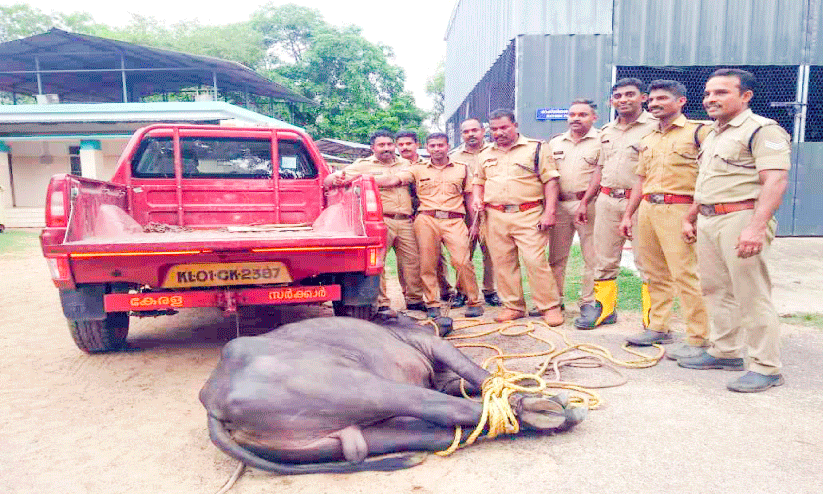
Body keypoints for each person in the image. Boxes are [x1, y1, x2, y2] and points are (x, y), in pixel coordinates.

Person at [679, 69, 791, 393]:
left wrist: (756, 228)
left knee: (751, 293)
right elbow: (708, 182)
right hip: (710, 219)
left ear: (745, 96)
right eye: (709, 93)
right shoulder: (714, 133)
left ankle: (766, 367)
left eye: (722, 92)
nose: (711, 99)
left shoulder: (762, 130)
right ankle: (725, 351)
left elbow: (775, 181)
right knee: (715, 289)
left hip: (741, 218)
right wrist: (692, 215)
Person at [617, 80, 710, 357]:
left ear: (681, 101)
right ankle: (658, 327)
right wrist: (628, 215)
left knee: (685, 274)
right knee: (654, 272)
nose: (654, 104)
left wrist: (693, 215)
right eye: (652, 100)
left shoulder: (699, 133)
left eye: (662, 99)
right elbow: (640, 180)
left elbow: (708, 176)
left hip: (680, 209)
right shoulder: (648, 139)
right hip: (648, 208)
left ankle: (698, 336)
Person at [574, 78, 657, 330]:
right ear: (612, 101)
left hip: (642, 200)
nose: (623, 100)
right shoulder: (606, 131)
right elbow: (600, 168)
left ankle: (653, 319)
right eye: (618, 96)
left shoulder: (656, 127)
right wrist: (586, 200)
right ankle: (604, 309)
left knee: (648, 260)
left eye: (630, 94)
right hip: (608, 200)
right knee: (604, 258)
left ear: (643, 98)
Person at [471, 109, 564, 326]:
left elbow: (550, 180)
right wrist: (477, 198)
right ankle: (513, 306)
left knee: (535, 261)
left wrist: (550, 211)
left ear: (515, 125)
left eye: (504, 127)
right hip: (495, 215)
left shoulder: (536, 148)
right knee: (503, 262)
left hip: (529, 213)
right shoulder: (485, 154)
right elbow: (479, 181)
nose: (499, 132)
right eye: (494, 129)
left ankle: (549, 307)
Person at [324, 130, 425, 315]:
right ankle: (383, 303)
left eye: (389, 144)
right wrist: (333, 178)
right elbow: (330, 180)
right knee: (379, 263)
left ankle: (414, 300)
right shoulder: (363, 165)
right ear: (373, 148)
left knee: (412, 262)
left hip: (405, 220)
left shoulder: (407, 164)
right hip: (380, 221)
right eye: (381, 145)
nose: (386, 148)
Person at [386, 133, 484, 319]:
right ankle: (432, 303)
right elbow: (395, 180)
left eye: (440, 145)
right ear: (427, 147)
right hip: (426, 219)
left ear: (448, 146)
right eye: (433, 146)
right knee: (427, 264)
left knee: (462, 261)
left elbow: (470, 197)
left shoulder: (462, 169)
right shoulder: (417, 169)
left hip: (454, 220)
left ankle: (474, 301)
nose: (437, 149)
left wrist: (475, 225)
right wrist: (365, 179)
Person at [544, 99, 600, 315]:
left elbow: (601, 173)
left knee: (592, 257)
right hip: (559, 205)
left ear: (593, 117)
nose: (576, 118)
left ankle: (588, 303)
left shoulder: (600, 141)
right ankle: (554, 301)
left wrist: (585, 202)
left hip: (590, 204)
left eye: (582, 114)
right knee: (556, 257)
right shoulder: (555, 143)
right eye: (572, 114)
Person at [396, 130, 458, 308]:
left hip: (426, 214)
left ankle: (445, 289)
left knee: (436, 255)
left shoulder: (428, 163)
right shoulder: (396, 165)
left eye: (408, 143)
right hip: (406, 216)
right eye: (401, 144)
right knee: (408, 259)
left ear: (417, 145)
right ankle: (410, 293)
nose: (405, 147)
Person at [449, 118, 501, 307]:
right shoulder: (454, 158)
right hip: (462, 213)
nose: (471, 134)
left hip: (492, 211)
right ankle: (462, 291)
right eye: (466, 132)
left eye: (474, 130)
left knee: (491, 253)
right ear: (461, 135)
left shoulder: (495, 152)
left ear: (482, 131)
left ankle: (490, 290)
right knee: (463, 253)